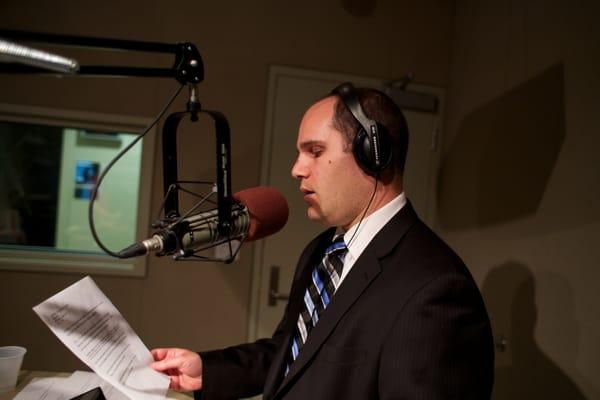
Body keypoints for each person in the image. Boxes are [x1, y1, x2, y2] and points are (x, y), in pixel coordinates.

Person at [150, 83, 494, 399]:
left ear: (372, 153)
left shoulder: (436, 291)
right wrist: (206, 371)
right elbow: (292, 351)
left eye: (315, 151)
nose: (297, 169)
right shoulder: (321, 250)